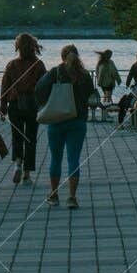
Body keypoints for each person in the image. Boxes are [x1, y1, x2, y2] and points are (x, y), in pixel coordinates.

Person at [36, 43, 94, 209]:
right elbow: (91, 95)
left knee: (56, 158)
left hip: (56, 120)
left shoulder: (55, 73)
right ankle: (72, 197)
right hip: (77, 121)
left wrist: (45, 104)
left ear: (62, 57)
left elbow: (39, 90)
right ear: (78, 56)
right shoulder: (84, 75)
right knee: (73, 159)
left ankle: (54, 195)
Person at [0, 33, 46, 186]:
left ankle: (18, 162)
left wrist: (3, 107)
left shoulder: (11, 65)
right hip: (33, 105)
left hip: (15, 105)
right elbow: (44, 88)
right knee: (31, 138)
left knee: (17, 136)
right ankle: (27, 175)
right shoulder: (38, 65)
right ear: (34, 47)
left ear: (18, 47)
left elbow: (4, 87)